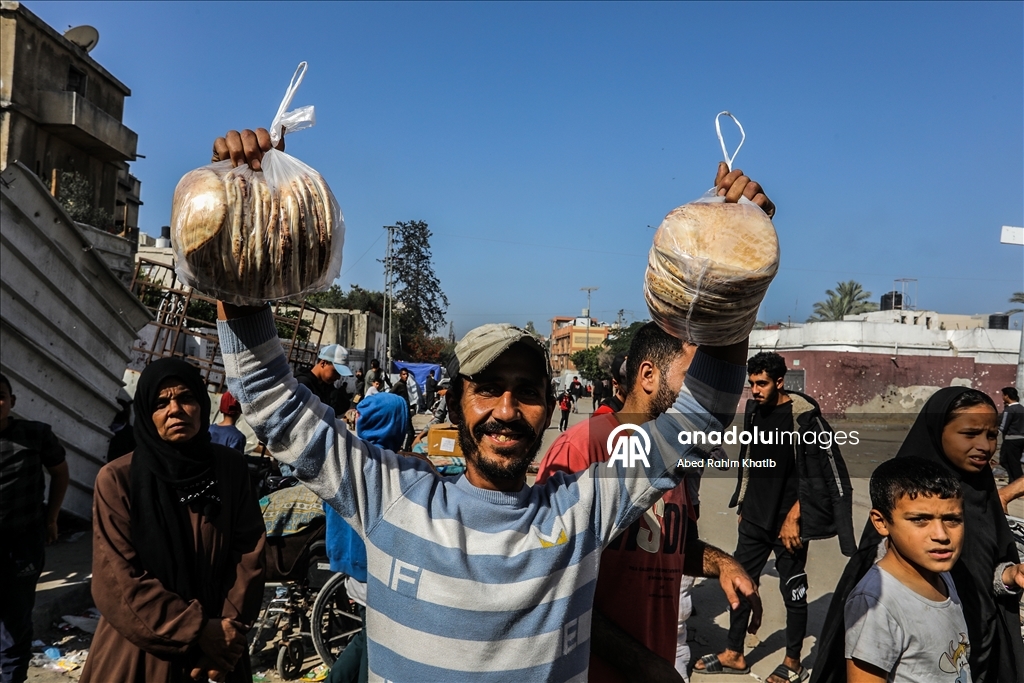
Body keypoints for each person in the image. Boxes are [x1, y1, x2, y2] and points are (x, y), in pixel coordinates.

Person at [213, 128, 771, 680]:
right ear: (455, 404)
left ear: (552, 409)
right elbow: (270, 400)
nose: (507, 409)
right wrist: (240, 224)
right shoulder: (391, 495)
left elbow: (699, 417)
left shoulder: (578, 513)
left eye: (527, 392)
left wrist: (729, 270)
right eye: (487, 388)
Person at [536, 323, 760, 683]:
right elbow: (552, 587)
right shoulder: (583, 448)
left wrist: (723, 564)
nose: (699, 396)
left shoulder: (673, 457)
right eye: (690, 380)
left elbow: (667, 547)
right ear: (648, 375)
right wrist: (643, 664)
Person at [811, 387, 1024, 683]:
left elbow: (979, 566)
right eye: (970, 433)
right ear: (938, 431)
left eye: (990, 435)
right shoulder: (907, 493)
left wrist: (1008, 576)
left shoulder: (981, 493)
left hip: (970, 651)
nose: (985, 446)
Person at [79, 359, 266, 683]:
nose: (175, 410)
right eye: (161, 403)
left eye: (186, 398)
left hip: (219, 649)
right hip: (143, 648)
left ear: (201, 404)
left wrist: (225, 634)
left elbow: (248, 554)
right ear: (147, 414)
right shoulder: (118, 480)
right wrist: (195, 631)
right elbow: (119, 580)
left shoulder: (230, 470)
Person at [698, 351, 855, 681]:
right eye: (751, 383)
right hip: (754, 519)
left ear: (780, 382)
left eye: (762, 383)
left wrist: (794, 517)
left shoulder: (805, 420)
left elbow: (819, 475)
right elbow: (753, 457)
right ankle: (734, 653)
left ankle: (794, 661)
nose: (755, 390)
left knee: (794, 592)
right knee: (740, 584)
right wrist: (744, 504)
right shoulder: (754, 411)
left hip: (789, 527)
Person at [844, 456, 971, 683]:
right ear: (881, 522)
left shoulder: (940, 574)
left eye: (952, 519)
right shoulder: (876, 602)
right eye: (920, 519)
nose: (941, 535)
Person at [324, 393, 409, 683]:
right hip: (376, 577)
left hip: (351, 572)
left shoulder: (345, 459)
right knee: (376, 647)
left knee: (365, 636)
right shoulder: (390, 471)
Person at [0, 374, 68, 683]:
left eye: (0, 396)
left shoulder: (35, 435)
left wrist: (52, 517)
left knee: (16, 622)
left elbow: (60, 474)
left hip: (22, 546)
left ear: (12, 402)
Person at [296, 344, 354, 410]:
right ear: (323, 363)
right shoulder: (303, 384)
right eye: (336, 372)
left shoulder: (326, 387)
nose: (338, 377)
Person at [999, 387, 1024, 482]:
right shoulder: (1022, 408)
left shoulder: (1009, 410)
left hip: (1011, 439)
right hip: (1021, 439)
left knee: (1012, 462)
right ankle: (1012, 480)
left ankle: (1019, 483)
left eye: (1003, 395)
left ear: (1006, 396)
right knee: (1006, 460)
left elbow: (1003, 425)